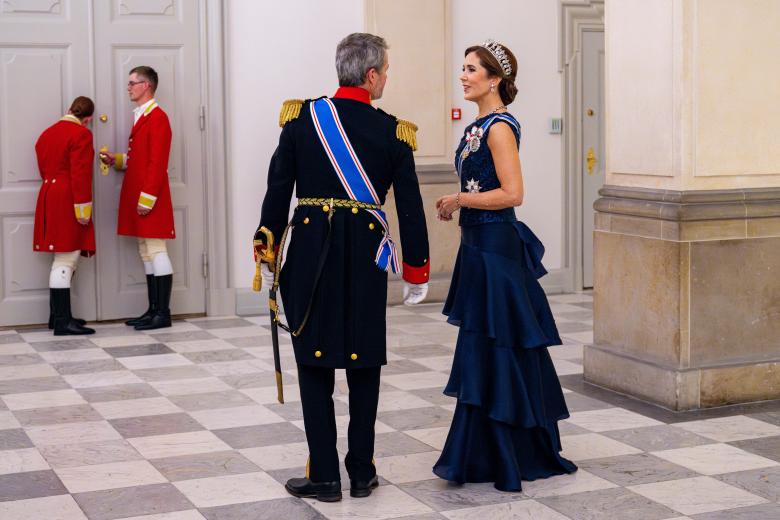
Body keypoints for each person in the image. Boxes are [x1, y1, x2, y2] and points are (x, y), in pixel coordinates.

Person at [254, 33, 430, 502]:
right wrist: (416, 269)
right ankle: (362, 471)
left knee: (314, 363)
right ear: (371, 76)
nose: (387, 77)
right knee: (364, 362)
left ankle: (325, 475)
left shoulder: (300, 119)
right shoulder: (393, 132)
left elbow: (278, 190)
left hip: (310, 254)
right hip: (366, 260)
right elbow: (410, 208)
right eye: (386, 70)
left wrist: (266, 243)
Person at [433, 40, 577, 491]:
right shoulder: (477, 125)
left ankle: (508, 451)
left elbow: (513, 194)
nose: (463, 75)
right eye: (463, 68)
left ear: (494, 79)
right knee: (484, 347)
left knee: (498, 345)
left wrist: (460, 199)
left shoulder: (499, 127)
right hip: (478, 247)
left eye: (472, 69)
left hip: (496, 248)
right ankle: (486, 451)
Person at [100, 66, 175, 330]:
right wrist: (117, 160)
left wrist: (147, 199)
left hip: (149, 196)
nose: (129, 87)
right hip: (140, 193)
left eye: (133, 83)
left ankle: (162, 314)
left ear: (147, 86)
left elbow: (157, 162)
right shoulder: (143, 116)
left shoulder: (158, 118)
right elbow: (141, 157)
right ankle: (152, 310)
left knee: (156, 248)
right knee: (146, 250)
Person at [33, 96, 96, 336]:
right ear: (87, 119)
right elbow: (80, 175)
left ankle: (57, 316)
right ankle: (62, 322)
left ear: (68, 110)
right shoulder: (81, 134)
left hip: (49, 193)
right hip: (69, 197)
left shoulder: (46, 134)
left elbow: (43, 169)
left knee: (60, 255)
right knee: (66, 258)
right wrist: (83, 210)